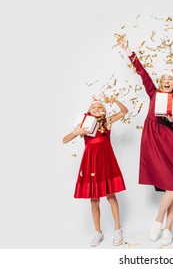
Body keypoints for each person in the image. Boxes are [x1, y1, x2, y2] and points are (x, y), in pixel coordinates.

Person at [119, 38, 173, 246]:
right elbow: (142, 73)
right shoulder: (153, 93)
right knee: (169, 189)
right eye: (164, 78)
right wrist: (129, 50)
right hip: (153, 142)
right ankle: (163, 225)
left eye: (170, 79)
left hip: (171, 144)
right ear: (160, 81)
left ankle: (165, 226)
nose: (167, 81)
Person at [62, 98, 128, 247]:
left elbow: (124, 112)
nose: (97, 108)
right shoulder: (84, 125)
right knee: (94, 199)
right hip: (90, 163)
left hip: (106, 161)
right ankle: (98, 232)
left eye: (99, 106)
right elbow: (64, 140)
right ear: (89, 111)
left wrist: (115, 100)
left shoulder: (107, 122)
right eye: (93, 107)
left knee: (111, 196)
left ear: (103, 110)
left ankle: (118, 229)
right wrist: (75, 132)